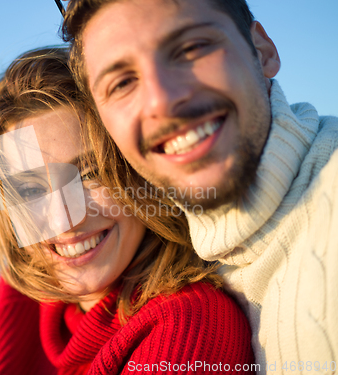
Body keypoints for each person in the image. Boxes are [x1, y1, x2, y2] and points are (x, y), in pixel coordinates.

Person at [0, 47, 255, 374]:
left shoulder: (188, 327)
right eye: (30, 190)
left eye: (90, 173)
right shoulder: (15, 298)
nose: (64, 221)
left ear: (138, 171)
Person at [61, 0, 338, 372]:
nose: (163, 100)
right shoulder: (174, 233)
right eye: (123, 82)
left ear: (263, 51)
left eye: (191, 48)